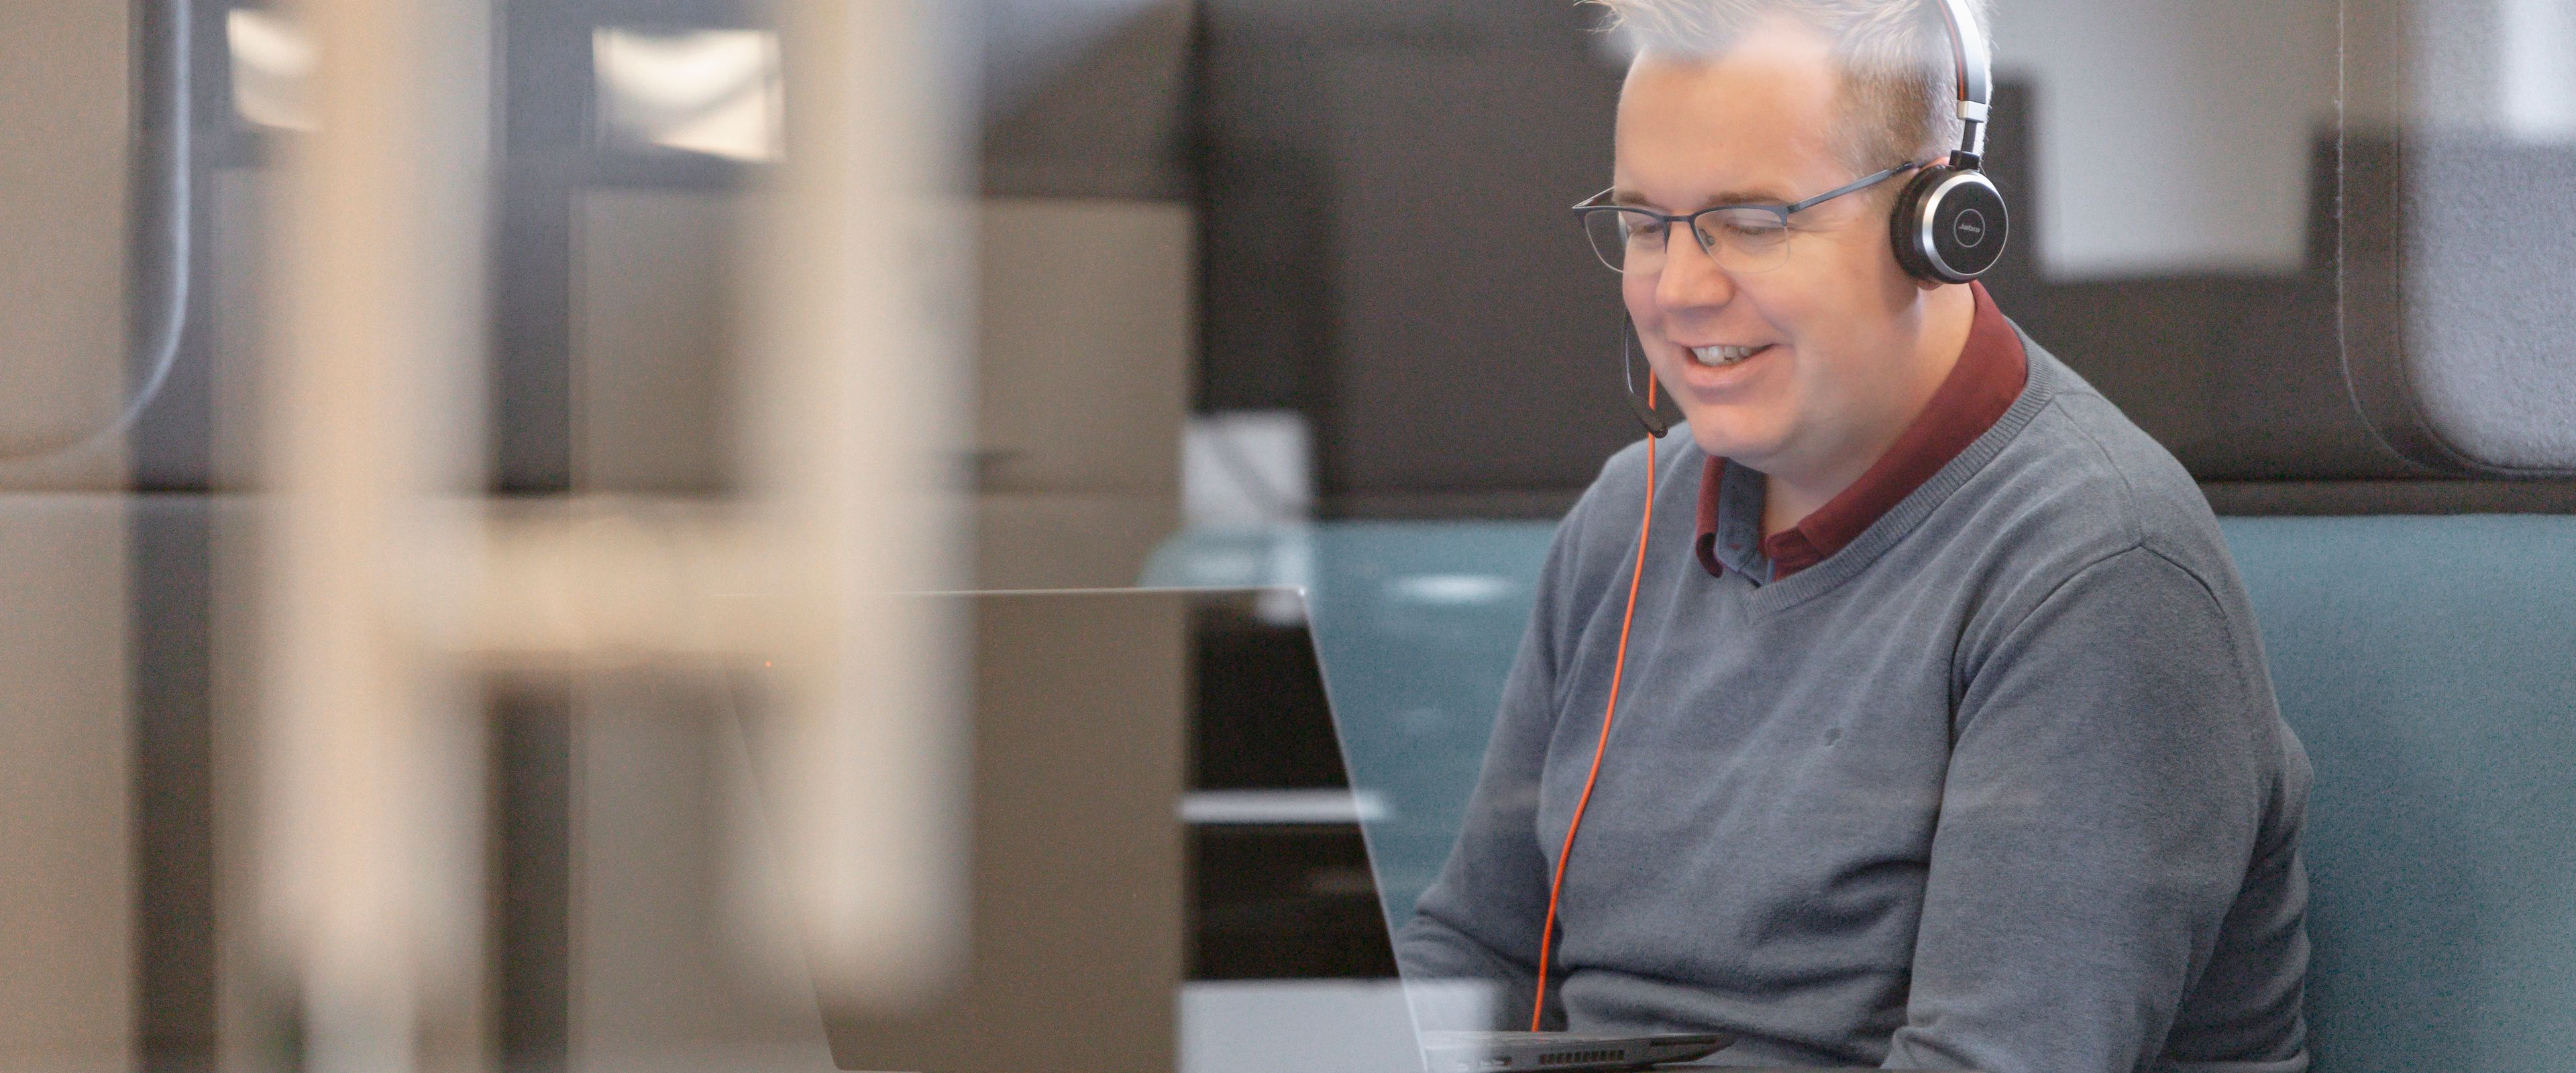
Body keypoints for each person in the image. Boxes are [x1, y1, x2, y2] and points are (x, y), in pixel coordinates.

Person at [1393, 3, 2314, 1072]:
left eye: (1752, 221)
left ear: (1938, 221)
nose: (1679, 291)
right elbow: (1479, 947)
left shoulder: (2101, 574)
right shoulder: (1626, 518)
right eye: (1646, 226)